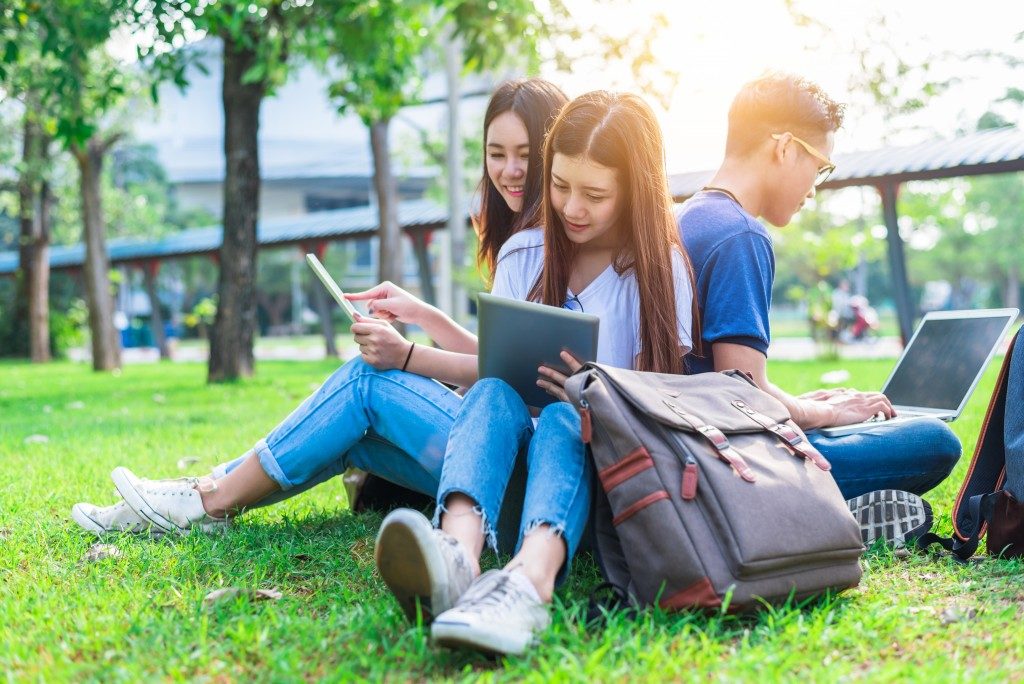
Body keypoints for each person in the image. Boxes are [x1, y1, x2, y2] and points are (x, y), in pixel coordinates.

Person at [70, 78, 570, 536]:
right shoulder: (533, 241)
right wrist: (425, 315)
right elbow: (506, 359)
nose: (509, 170)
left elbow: (515, 375)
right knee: (345, 434)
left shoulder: (533, 247)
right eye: (496, 153)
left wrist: (406, 356)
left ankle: (200, 501)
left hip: (516, 472)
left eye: (526, 154)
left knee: (364, 381)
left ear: (557, 154)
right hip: (510, 469)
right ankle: (188, 504)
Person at [373, 90, 697, 655]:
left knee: (564, 418)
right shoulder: (524, 253)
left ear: (634, 191)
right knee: (494, 387)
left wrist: (595, 390)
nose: (572, 208)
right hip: (511, 462)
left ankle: (528, 584)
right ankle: (457, 557)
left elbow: (669, 398)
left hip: (601, 469)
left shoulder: (661, 268)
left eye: (595, 194)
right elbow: (494, 368)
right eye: (561, 186)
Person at [676, 73, 960, 534]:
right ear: (785, 148)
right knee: (934, 441)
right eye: (821, 166)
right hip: (733, 463)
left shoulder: (686, 215)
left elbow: (720, 379)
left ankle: (833, 511)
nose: (814, 188)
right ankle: (812, 517)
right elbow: (742, 398)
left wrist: (800, 404)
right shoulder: (740, 234)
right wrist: (831, 414)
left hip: (691, 445)